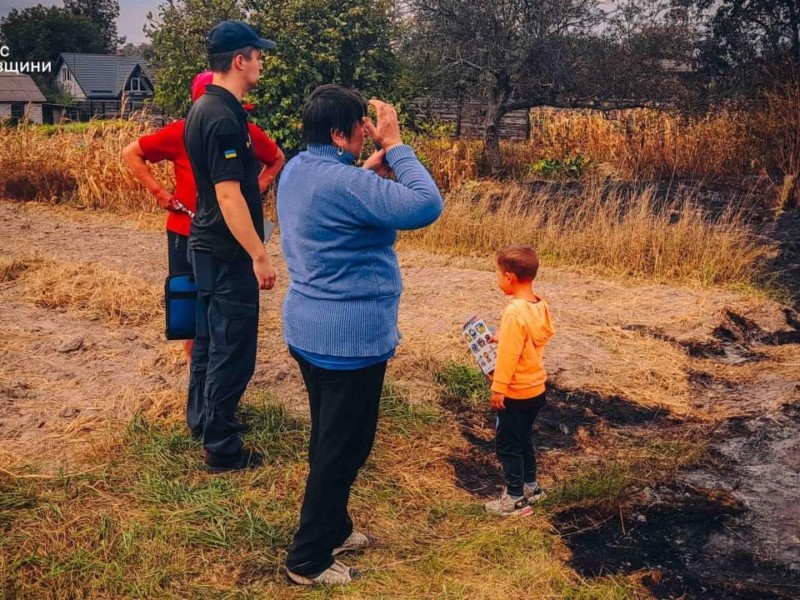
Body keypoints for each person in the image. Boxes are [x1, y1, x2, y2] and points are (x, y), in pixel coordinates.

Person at [277, 84, 443, 585]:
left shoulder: (297, 170)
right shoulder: (346, 184)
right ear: (339, 132)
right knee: (344, 447)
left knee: (330, 436)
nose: (364, 135)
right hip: (347, 342)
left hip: (309, 329)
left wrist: (367, 167)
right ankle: (307, 559)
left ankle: (335, 526)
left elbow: (337, 192)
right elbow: (425, 204)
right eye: (359, 128)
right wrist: (394, 145)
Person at [122, 71, 284, 372]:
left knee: (226, 305)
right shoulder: (181, 132)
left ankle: (217, 370)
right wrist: (158, 191)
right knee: (188, 298)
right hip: (185, 230)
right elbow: (132, 153)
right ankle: (195, 365)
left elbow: (276, 157)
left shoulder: (243, 130)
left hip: (231, 234)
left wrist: (259, 185)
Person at [183, 20, 278, 473]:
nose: (261, 62)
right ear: (239, 61)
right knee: (232, 348)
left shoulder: (206, 108)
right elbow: (227, 195)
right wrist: (259, 254)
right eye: (257, 55)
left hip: (204, 245)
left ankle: (203, 421)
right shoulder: (222, 117)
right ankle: (222, 448)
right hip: (224, 251)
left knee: (207, 341)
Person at [485, 245, 555, 515]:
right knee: (524, 439)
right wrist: (504, 336)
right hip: (536, 389)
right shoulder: (539, 305)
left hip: (515, 392)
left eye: (498, 275)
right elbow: (530, 338)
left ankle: (514, 499)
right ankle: (531, 487)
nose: (498, 280)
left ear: (510, 278)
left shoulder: (513, 312)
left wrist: (498, 388)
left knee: (507, 444)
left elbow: (509, 358)